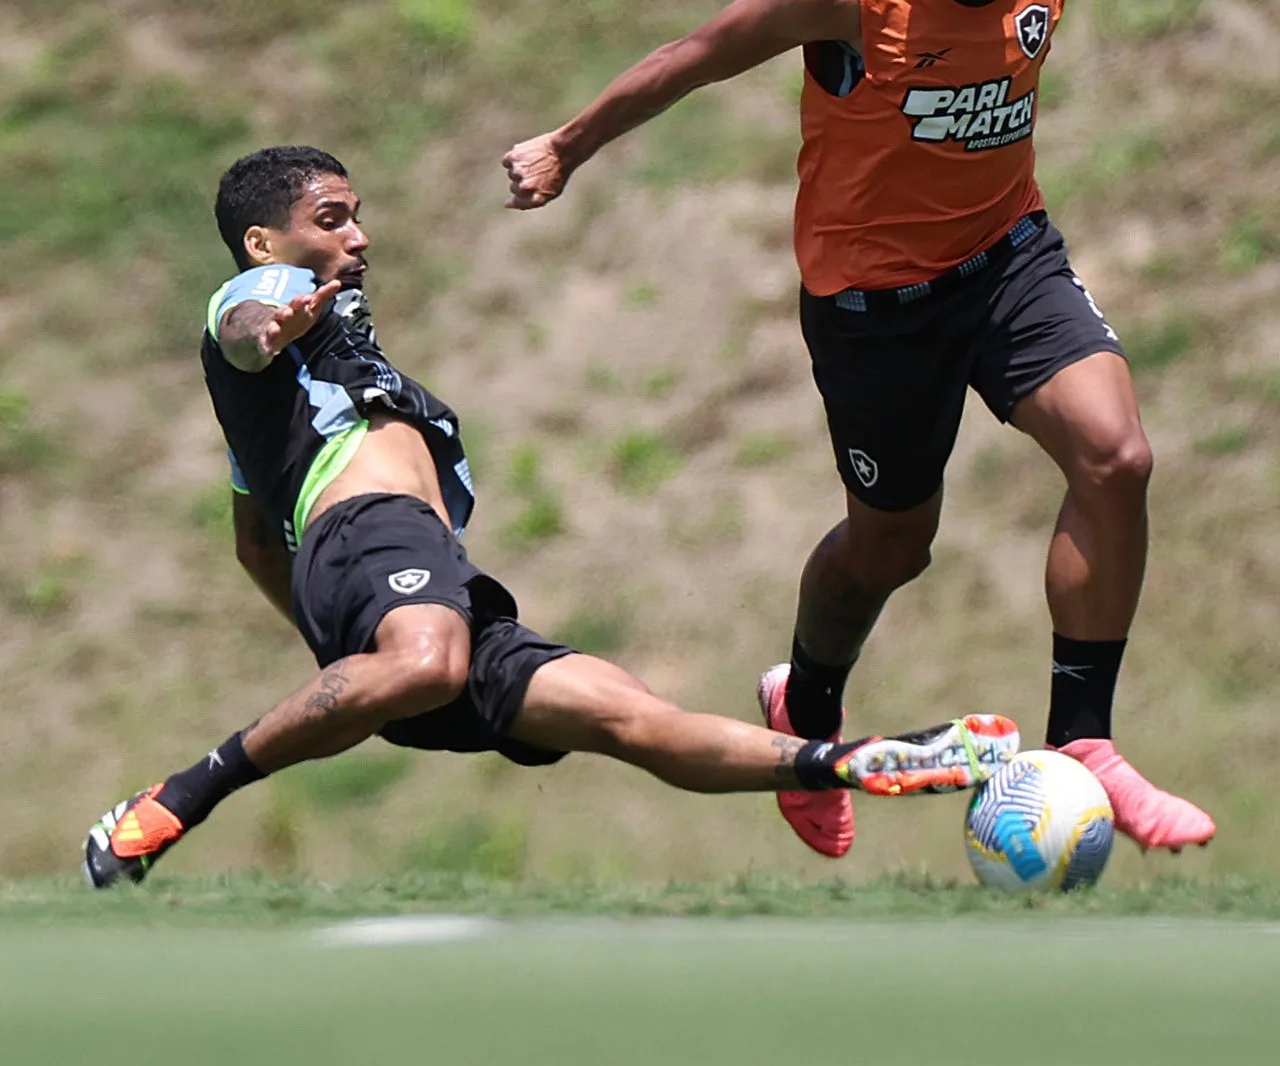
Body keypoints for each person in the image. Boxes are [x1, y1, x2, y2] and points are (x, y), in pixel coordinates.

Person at [501, 0, 1216, 860]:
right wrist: (566, 147)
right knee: (891, 544)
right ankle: (808, 698)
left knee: (1117, 456)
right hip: (873, 305)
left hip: (1008, 255)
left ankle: (1082, 745)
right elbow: (696, 54)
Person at [82, 145, 1019, 888]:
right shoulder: (265, 300)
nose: (359, 237)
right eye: (332, 219)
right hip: (374, 546)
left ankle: (855, 761)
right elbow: (246, 329)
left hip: (425, 579)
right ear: (262, 243)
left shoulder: (293, 402)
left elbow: (254, 543)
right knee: (424, 661)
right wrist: (266, 331)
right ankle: (183, 795)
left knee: (628, 716)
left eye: (359, 216)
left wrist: (344, 652)